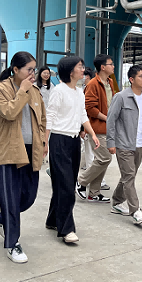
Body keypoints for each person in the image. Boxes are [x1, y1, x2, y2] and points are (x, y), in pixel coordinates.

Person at [0, 51, 46, 263]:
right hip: (9, 150)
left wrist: (43, 142)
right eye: (29, 69)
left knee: (28, 197)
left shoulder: (35, 91)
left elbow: (42, 119)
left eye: (34, 69)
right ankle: (12, 244)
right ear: (15, 69)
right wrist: (22, 91)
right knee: (10, 198)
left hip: (31, 150)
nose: (33, 73)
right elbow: (8, 113)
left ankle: (3, 217)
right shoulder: (1, 88)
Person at [45, 56, 99, 244]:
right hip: (59, 140)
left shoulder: (79, 92)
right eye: (79, 67)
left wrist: (92, 133)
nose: (83, 69)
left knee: (65, 183)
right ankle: (66, 229)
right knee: (67, 186)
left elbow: (83, 115)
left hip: (75, 141)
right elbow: (50, 116)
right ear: (70, 71)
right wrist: (45, 142)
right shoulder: (58, 91)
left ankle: (53, 219)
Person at [106, 65, 142, 225]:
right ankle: (136, 211)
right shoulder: (121, 97)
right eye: (141, 76)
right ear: (131, 79)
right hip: (123, 143)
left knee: (129, 175)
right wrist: (111, 142)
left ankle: (117, 201)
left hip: (139, 145)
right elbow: (111, 120)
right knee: (129, 176)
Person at [77, 55, 117, 202]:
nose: (113, 66)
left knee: (102, 160)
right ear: (103, 67)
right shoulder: (93, 84)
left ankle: (94, 193)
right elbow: (89, 108)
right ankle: (81, 181)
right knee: (105, 158)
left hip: (108, 128)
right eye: (111, 64)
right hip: (97, 128)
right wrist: (106, 118)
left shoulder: (110, 82)